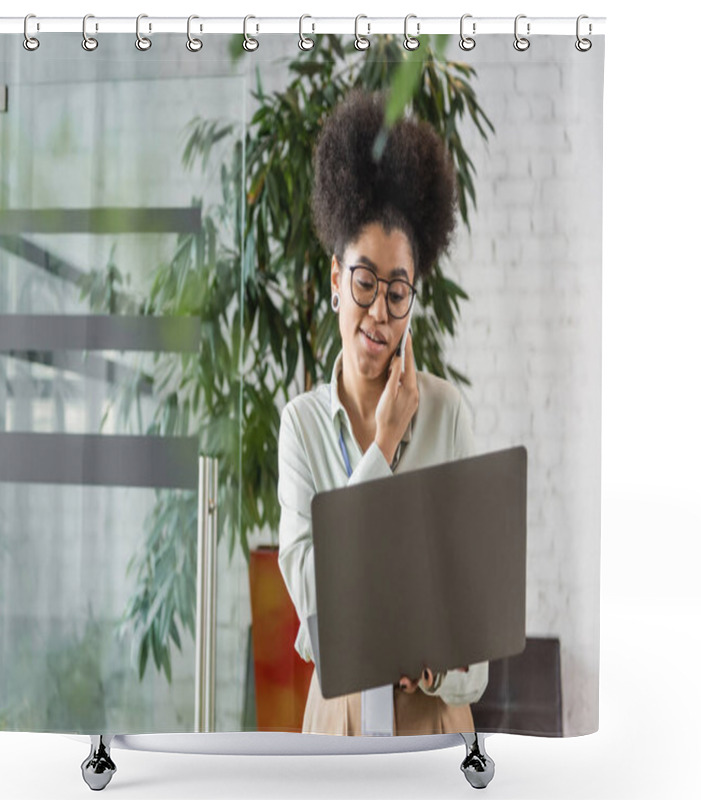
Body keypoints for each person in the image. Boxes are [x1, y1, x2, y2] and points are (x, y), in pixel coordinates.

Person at [277, 91, 488, 736]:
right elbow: (316, 604)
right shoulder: (302, 427)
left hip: (434, 719)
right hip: (336, 722)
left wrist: (432, 668)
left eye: (398, 292)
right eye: (366, 282)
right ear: (336, 277)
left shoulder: (449, 414)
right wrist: (384, 444)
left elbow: (475, 649)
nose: (379, 312)